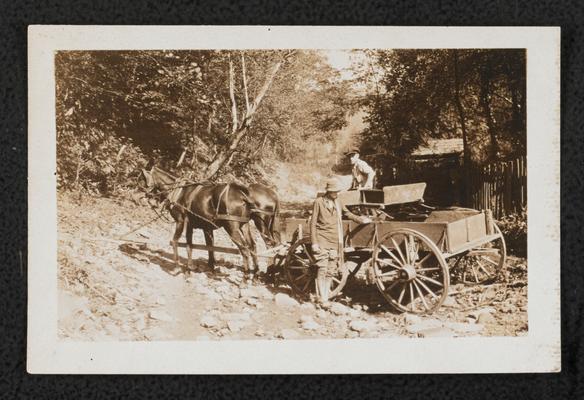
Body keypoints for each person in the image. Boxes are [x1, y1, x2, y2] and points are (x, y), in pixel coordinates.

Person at [310, 177, 371, 306]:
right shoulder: (319, 202)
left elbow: (347, 213)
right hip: (321, 238)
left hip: (334, 240)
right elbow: (313, 223)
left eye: (337, 191)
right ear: (328, 191)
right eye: (334, 191)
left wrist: (361, 220)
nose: (336, 194)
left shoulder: (338, 201)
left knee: (330, 270)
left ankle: (325, 296)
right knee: (322, 268)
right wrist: (314, 242)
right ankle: (322, 298)